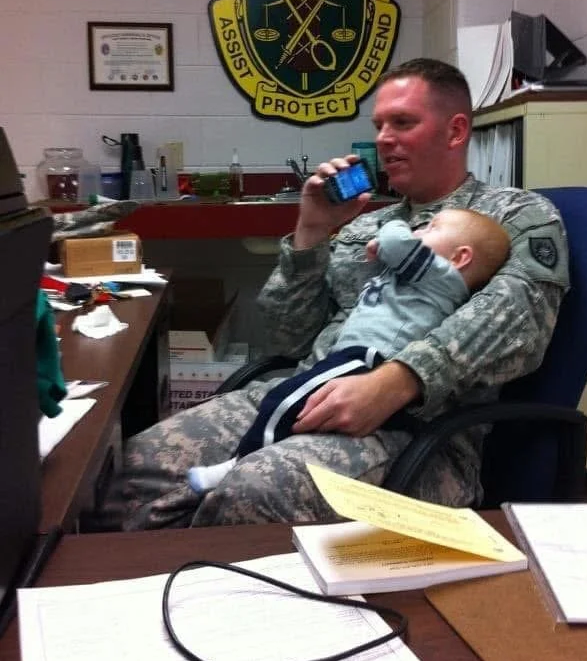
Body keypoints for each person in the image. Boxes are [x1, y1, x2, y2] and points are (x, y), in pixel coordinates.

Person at [95, 57, 569, 530]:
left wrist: (396, 381)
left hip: (418, 430)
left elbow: (519, 319)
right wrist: (310, 233)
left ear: (456, 130)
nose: (384, 139)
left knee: (254, 491)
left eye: (403, 122)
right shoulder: (365, 226)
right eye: (380, 125)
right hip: (300, 393)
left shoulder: (512, 215)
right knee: (133, 465)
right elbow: (288, 340)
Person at [186, 208, 511, 494]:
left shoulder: (441, 275)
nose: (418, 231)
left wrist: (392, 232)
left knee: (282, 400)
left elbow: (398, 242)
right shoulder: (420, 275)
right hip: (351, 357)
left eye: (430, 228)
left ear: (460, 258)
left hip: (370, 360)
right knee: (292, 406)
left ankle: (238, 462)